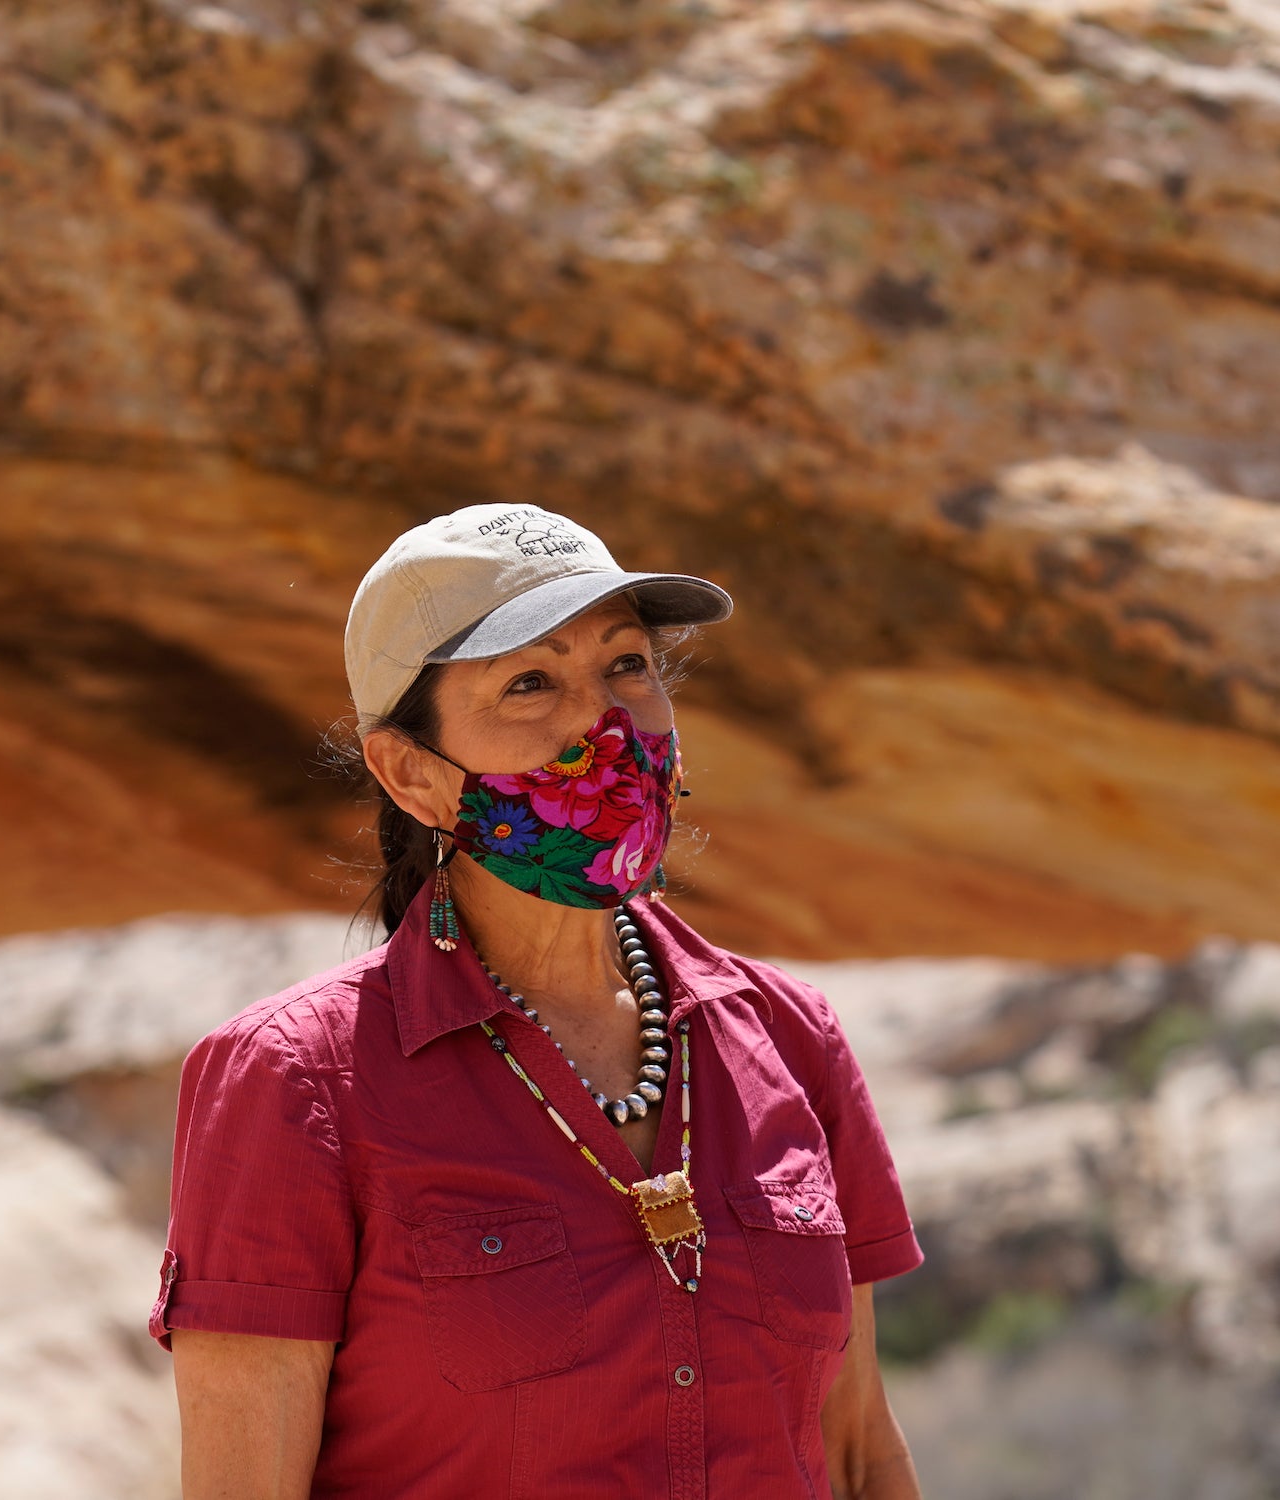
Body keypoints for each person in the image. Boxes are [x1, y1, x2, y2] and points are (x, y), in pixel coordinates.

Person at [152, 504, 924, 1500]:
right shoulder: (297, 1081)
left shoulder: (788, 1035)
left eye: (627, 667)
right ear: (414, 775)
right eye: (530, 683)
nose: (601, 724)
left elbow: (859, 1453)